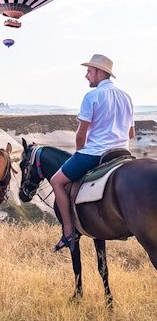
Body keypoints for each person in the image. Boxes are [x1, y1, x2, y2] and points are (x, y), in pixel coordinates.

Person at [50, 54, 135, 251]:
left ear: (100, 72)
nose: (86, 76)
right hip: (123, 152)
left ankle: (69, 232)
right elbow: (131, 132)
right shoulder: (126, 97)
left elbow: (81, 136)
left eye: (89, 71)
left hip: (96, 152)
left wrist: (80, 153)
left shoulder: (92, 96)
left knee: (56, 181)